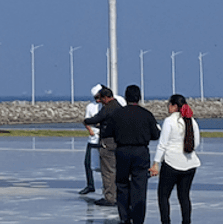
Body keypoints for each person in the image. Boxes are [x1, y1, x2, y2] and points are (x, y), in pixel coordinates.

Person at [108, 84, 160, 224]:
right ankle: (138, 218)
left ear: (126, 97)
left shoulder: (117, 114)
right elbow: (155, 135)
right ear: (139, 97)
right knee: (140, 186)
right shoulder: (146, 114)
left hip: (122, 151)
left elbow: (108, 132)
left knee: (122, 184)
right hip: (140, 152)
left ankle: (124, 216)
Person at [150, 94, 200, 224]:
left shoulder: (169, 121)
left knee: (163, 196)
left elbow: (163, 144)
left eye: (169, 105)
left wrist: (156, 163)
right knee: (184, 197)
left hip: (171, 163)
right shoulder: (191, 121)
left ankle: (166, 222)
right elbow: (197, 143)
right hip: (190, 163)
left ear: (174, 106)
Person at [84, 86, 121, 206]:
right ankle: (119, 195)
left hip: (108, 143)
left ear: (105, 98)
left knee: (107, 171)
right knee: (116, 170)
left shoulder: (108, 108)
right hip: (119, 142)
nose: (99, 101)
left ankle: (110, 197)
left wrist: (87, 121)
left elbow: (98, 118)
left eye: (100, 99)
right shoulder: (118, 106)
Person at [80, 84, 104, 195]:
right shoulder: (90, 107)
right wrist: (89, 129)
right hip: (93, 138)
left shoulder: (106, 106)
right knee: (87, 163)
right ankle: (90, 185)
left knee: (105, 164)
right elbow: (86, 120)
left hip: (104, 138)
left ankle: (107, 185)